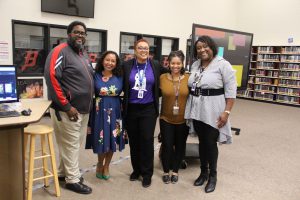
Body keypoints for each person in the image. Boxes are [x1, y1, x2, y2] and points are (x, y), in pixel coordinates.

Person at [44, 21, 93, 195]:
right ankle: (72, 180)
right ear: (69, 34)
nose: (80, 35)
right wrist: (66, 106)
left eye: (83, 33)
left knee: (72, 144)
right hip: (68, 110)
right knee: (71, 144)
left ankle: (63, 173)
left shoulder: (82, 54)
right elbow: (51, 78)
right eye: (76, 32)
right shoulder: (60, 51)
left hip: (83, 109)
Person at [184, 35, 237, 193]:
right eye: (199, 48)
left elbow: (231, 91)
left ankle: (213, 176)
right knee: (202, 141)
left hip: (214, 109)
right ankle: (203, 173)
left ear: (211, 47)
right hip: (197, 108)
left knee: (210, 143)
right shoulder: (195, 64)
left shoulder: (223, 64)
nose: (202, 50)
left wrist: (226, 112)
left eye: (205, 46)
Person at [122, 39, 167, 188]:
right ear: (135, 50)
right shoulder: (127, 65)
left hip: (148, 109)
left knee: (147, 141)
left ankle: (147, 174)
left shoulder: (155, 65)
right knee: (134, 141)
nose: (143, 50)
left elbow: (169, 75)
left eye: (146, 48)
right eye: (140, 48)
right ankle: (136, 170)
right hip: (132, 109)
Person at [85, 50, 126, 180]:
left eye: (113, 61)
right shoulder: (94, 75)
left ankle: (107, 166)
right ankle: (99, 163)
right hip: (99, 110)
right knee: (101, 139)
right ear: (102, 61)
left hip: (116, 110)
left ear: (116, 63)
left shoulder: (120, 76)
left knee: (112, 139)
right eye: (107, 60)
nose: (110, 63)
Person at [159, 50, 189, 184]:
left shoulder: (189, 78)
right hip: (166, 118)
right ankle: (166, 171)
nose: (175, 66)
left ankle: (175, 171)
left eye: (178, 63)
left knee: (180, 146)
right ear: (168, 63)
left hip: (183, 120)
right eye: (173, 63)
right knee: (167, 145)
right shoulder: (162, 78)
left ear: (182, 64)